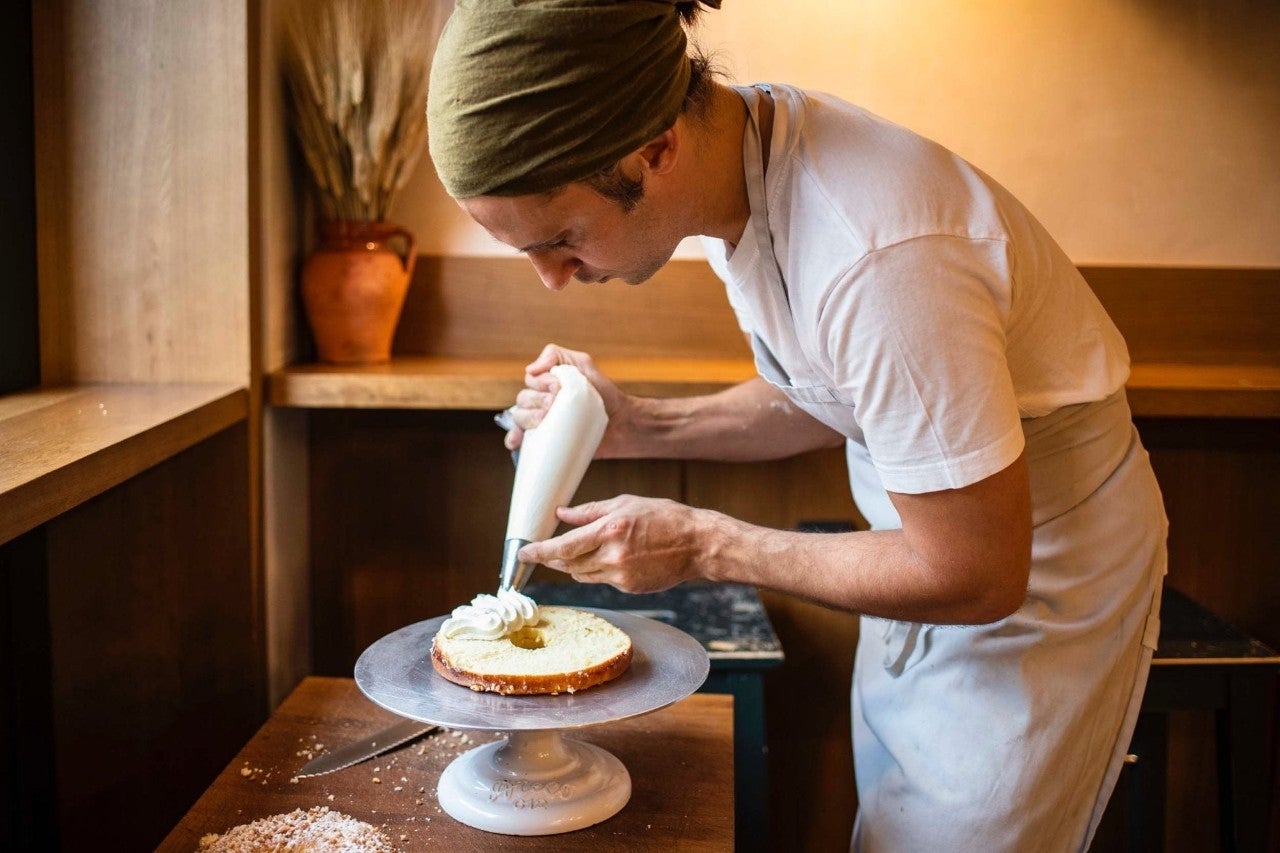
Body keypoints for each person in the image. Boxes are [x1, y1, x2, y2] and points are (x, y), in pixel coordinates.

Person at [426, 2, 1168, 850]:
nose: (554, 280)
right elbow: (837, 390)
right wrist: (639, 425)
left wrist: (708, 543)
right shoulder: (746, 164)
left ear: (653, 148)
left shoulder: (876, 256)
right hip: (921, 547)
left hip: (1035, 574)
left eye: (560, 238)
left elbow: (976, 568)